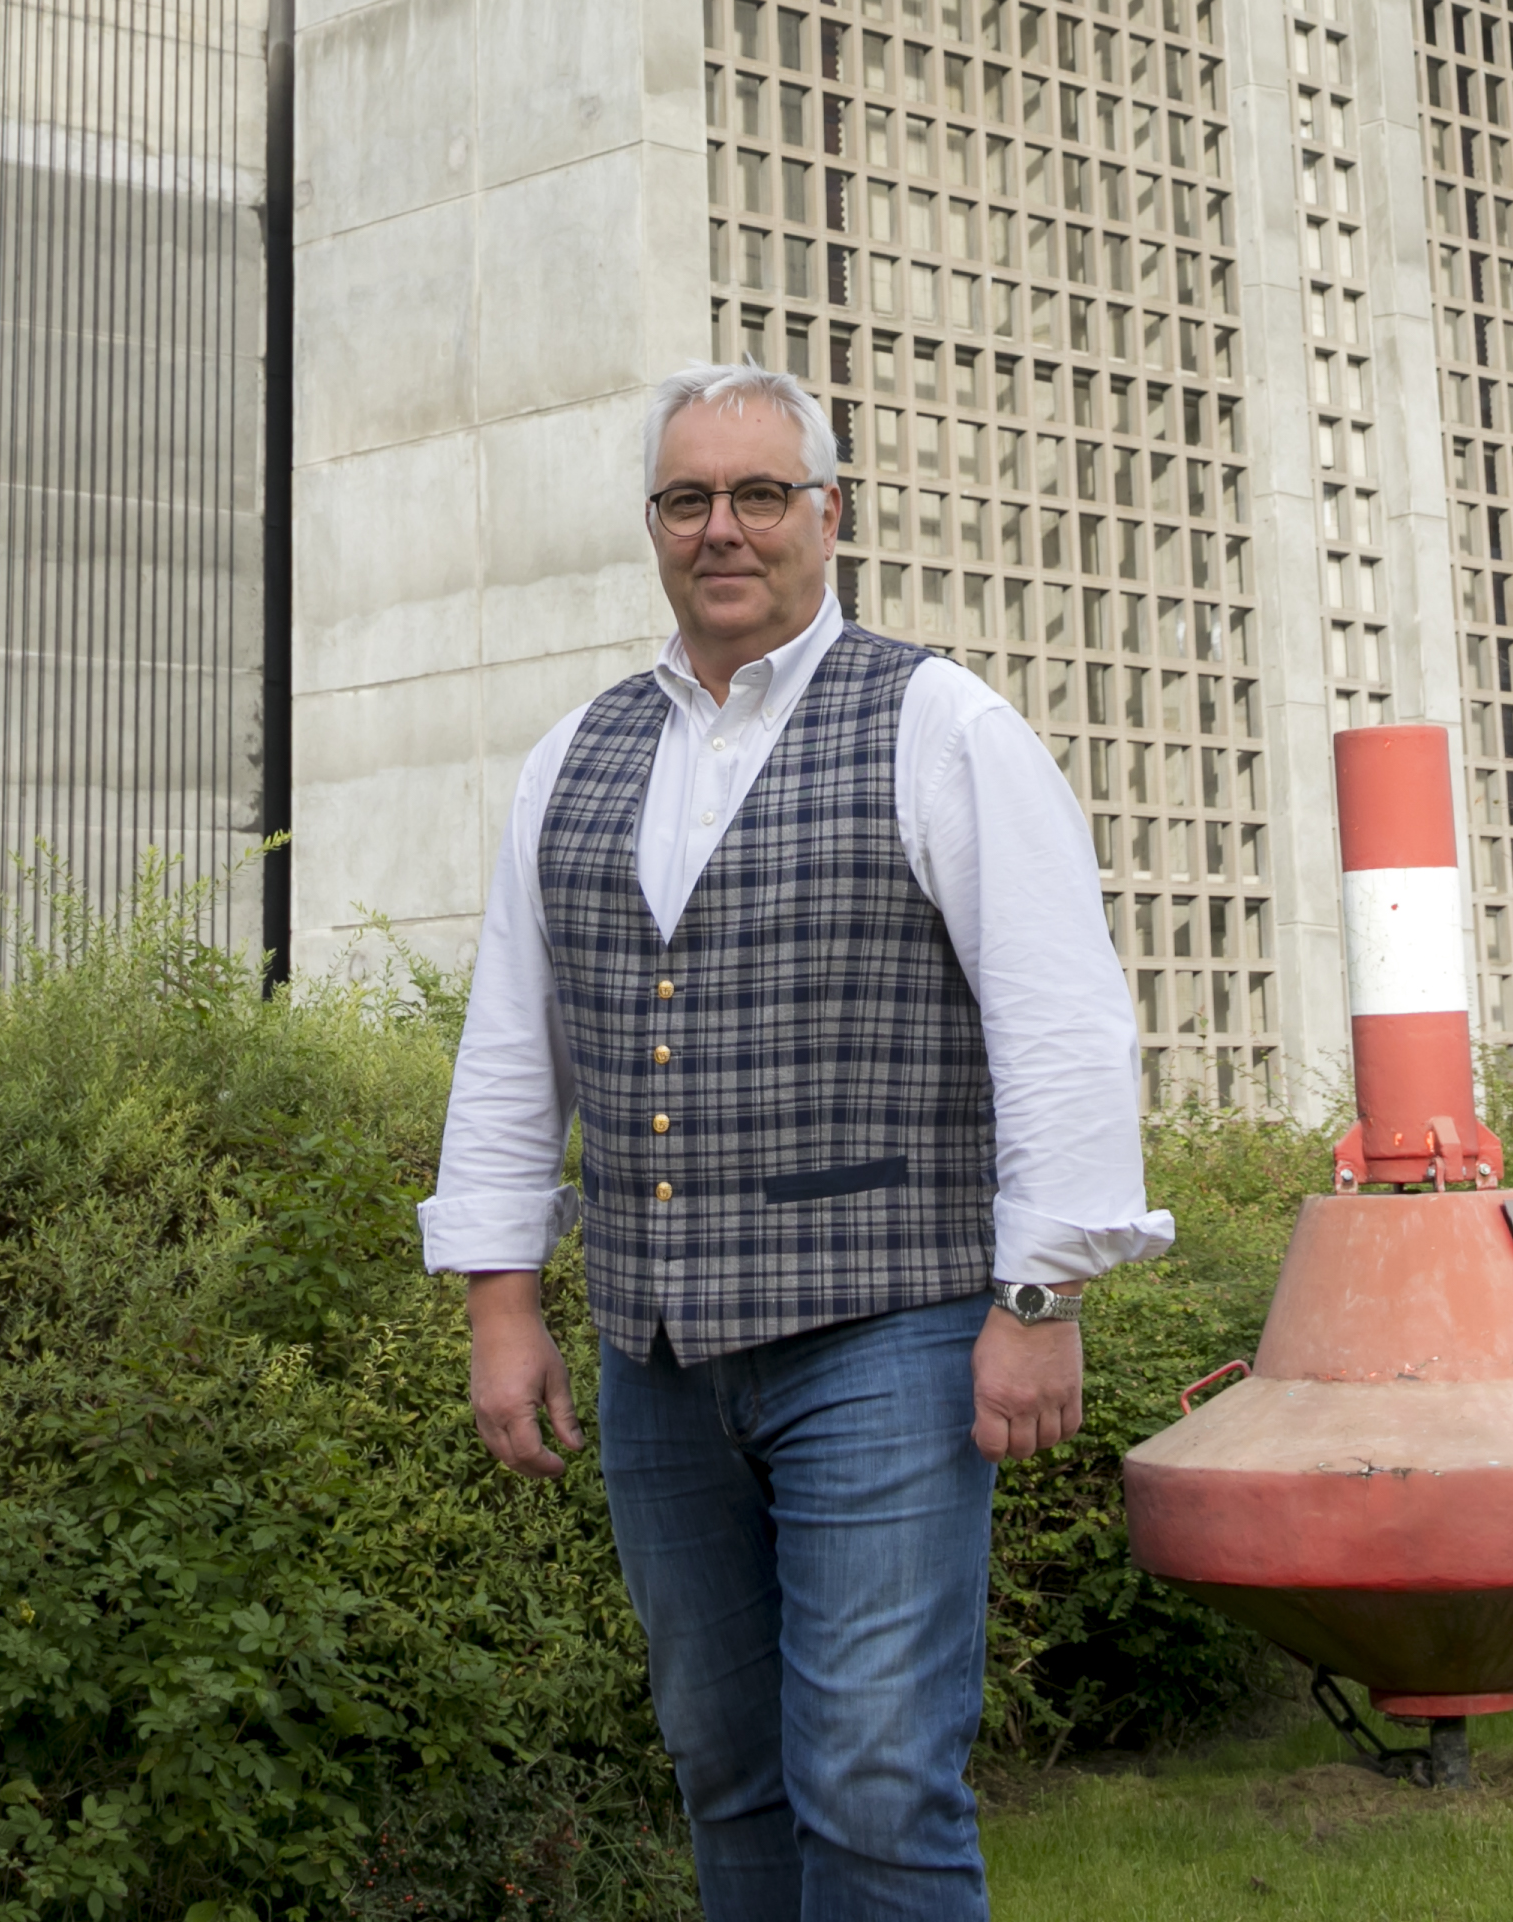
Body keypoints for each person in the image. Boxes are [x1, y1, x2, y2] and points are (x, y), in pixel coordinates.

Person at [418, 363, 1169, 1922]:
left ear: (831, 513)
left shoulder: (940, 721)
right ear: (654, 526)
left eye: (762, 494)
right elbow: (512, 1045)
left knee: (880, 1780)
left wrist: (1042, 1297)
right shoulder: (573, 755)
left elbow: (1060, 1022)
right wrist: (503, 1299)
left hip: (886, 1332)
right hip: (656, 1350)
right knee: (722, 1763)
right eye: (689, 499)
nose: (724, 529)